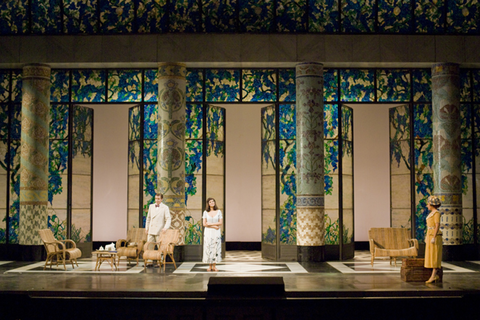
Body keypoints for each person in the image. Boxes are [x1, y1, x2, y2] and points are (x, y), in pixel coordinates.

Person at [145, 193, 171, 267]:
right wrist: (147, 228)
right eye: (156, 198)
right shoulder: (151, 206)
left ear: (161, 199)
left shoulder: (165, 207)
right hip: (151, 229)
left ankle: (160, 261)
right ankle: (149, 261)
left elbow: (168, 219)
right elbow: (148, 218)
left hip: (159, 230)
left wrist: (165, 228)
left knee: (160, 246)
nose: (157, 200)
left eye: (158, 199)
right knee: (149, 245)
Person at [425, 195, 443, 283]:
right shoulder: (431, 213)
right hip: (429, 235)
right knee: (430, 255)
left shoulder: (436, 213)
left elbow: (437, 225)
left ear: (432, 204)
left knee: (435, 255)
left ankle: (433, 276)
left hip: (434, 235)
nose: (427, 205)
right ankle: (434, 275)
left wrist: (434, 237)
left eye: (428, 204)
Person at [202, 197, 223, 272]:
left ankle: (214, 266)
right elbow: (204, 224)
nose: (212, 203)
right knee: (208, 247)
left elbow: (220, 223)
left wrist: (210, 224)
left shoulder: (219, 212)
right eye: (210, 202)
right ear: (208, 203)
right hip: (208, 232)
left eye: (213, 201)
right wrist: (214, 226)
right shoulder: (205, 212)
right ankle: (209, 265)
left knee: (215, 248)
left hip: (216, 232)